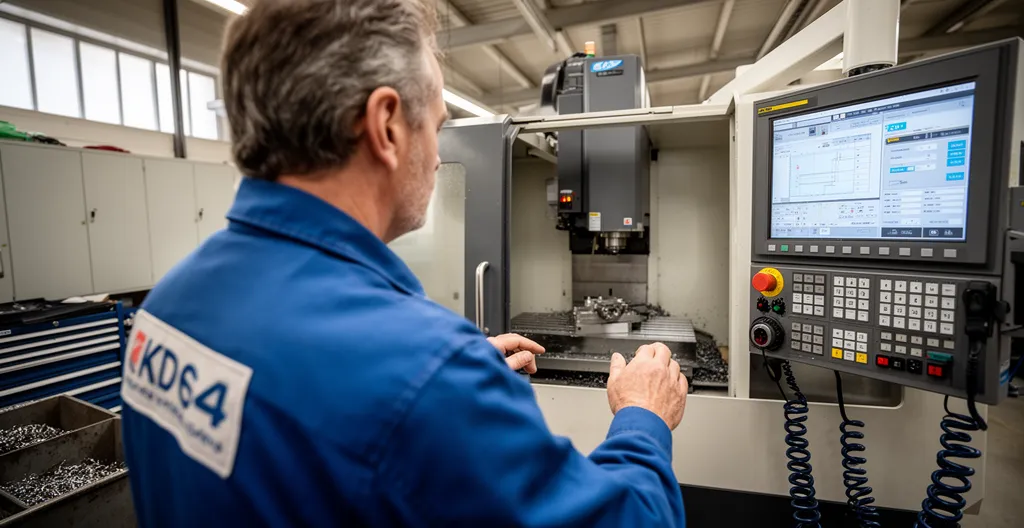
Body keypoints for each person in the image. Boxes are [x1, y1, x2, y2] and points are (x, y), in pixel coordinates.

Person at [120, 0, 688, 525]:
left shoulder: (166, 307)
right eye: (436, 127)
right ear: (387, 126)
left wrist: (450, 381)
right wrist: (643, 417)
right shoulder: (426, 376)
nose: (439, 157)